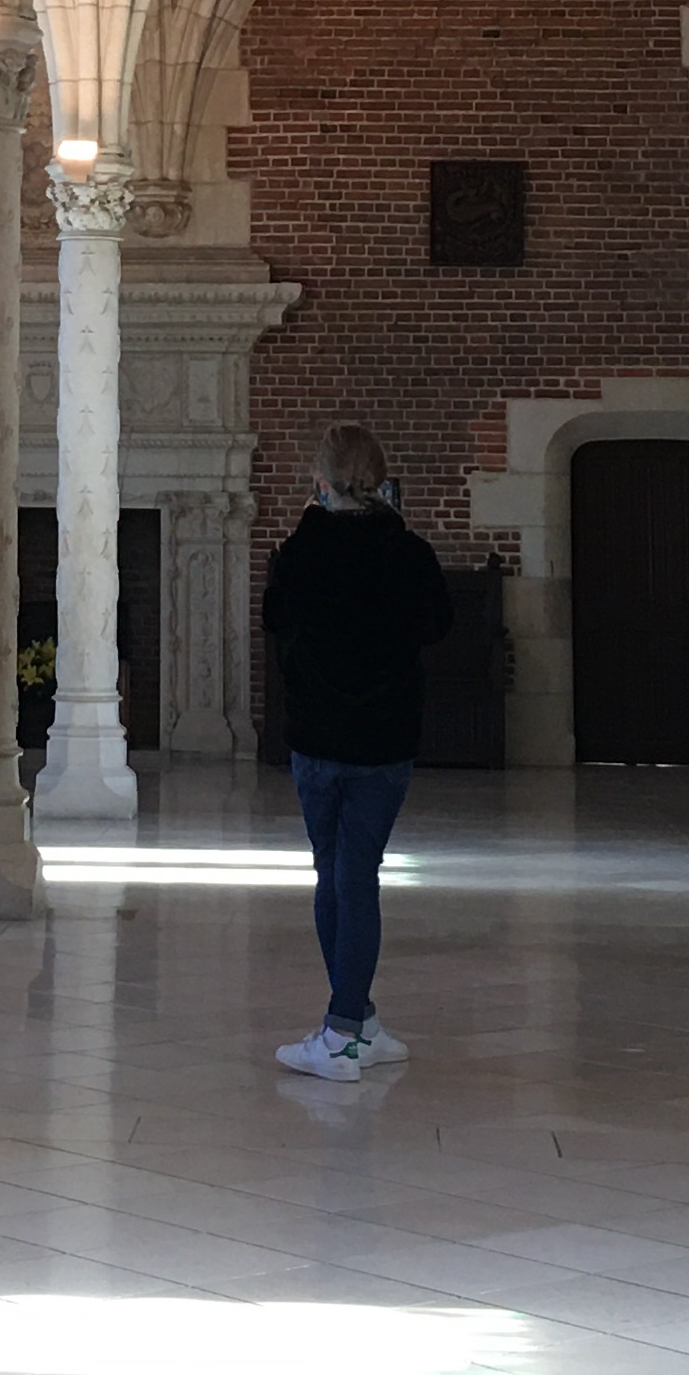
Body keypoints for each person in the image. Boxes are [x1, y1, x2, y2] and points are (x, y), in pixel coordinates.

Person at [261, 422, 452, 1078]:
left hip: (319, 739)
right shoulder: (409, 552)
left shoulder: (302, 552)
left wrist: (309, 528)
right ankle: (362, 1021)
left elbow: (275, 619)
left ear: (320, 482)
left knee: (336, 874)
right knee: (358, 873)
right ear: (380, 482)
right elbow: (438, 624)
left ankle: (342, 1036)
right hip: (386, 742)